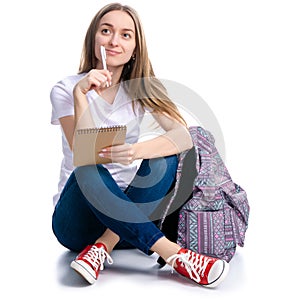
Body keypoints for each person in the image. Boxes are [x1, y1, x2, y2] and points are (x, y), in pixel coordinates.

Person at [50, 2, 229, 287]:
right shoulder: (67, 88)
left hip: (129, 224)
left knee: (166, 157)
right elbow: (81, 150)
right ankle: (175, 255)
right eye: (106, 31)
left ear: (135, 47)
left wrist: (135, 151)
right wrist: (81, 94)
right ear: (93, 38)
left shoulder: (144, 89)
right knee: (87, 167)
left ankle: (102, 248)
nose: (113, 41)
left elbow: (183, 137)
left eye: (125, 35)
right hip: (76, 223)